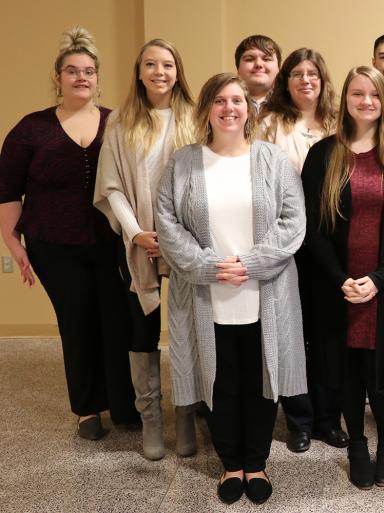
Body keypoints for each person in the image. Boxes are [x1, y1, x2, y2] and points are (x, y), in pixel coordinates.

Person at [154, 73, 307, 504]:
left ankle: (256, 462)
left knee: (261, 378)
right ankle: (231, 464)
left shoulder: (272, 160)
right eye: (219, 100)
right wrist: (207, 266)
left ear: (249, 108)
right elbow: (168, 224)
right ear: (206, 110)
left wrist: (251, 263)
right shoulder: (183, 162)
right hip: (207, 293)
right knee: (220, 382)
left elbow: (294, 222)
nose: (229, 108)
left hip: (265, 290)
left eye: (237, 100)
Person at [0, 27, 138, 439]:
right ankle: (88, 409)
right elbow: (7, 190)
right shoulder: (31, 129)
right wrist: (12, 243)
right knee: (76, 322)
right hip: (53, 245)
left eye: (89, 71)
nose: (82, 77)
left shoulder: (118, 123)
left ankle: (124, 403)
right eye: (73, 71)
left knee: (116, 322)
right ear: (58, 77)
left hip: (111, 243)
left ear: (98, 79)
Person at [301, 66, 384, 490]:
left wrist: (377, 277)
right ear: (346, 100)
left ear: (383, 101)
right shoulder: (323, 155)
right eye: (358, 94)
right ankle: (356, 442)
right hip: (339, 286)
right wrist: (341, 279)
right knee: (348, 368)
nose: (367, 101)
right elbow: (312, 227)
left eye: (374, 94)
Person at [93, 39, 197, 460]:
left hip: (188, 241)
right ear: (138, 72)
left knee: (189, 330)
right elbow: (112, 187)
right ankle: (151, 420)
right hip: (138, 243)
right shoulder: (120, 121)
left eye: (167, 64)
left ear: (178, 71)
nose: (159, 71)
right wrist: (137, 233)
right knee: (142, 330)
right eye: (150, 64)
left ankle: (187, 417)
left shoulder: (194, 116)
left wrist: (175, 236)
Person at [257, 47, 348, 453]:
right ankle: (300, 421)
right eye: (297, 73)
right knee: (292, 334)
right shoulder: (270, 123)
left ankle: (330, 419)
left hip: (330, 245)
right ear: (285, 81)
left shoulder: (339, 123)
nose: (306, 80)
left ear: (323, 80)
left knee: (329, 335)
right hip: (285, 245)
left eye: (313, 73)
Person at [235, 34, 281, 112]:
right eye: (249, 59)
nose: (258, 64)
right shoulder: (221, 104)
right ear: (238, 69)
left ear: (279, 68)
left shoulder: (295, 103)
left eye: (266, 59)